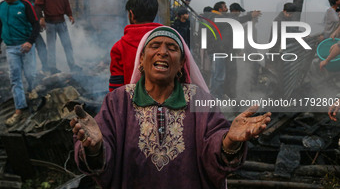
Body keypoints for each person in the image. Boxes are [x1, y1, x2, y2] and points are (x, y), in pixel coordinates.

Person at [71, 26, 271, 189]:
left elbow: (213, 152)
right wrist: (96, 147)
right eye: (155, 46)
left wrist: (229, 141)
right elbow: (104, 156)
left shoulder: (199, 100)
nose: (163, 52)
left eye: (172, 48)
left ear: (182, 63)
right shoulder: (118, 100)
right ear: (141, 58)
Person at [0, 0, 40, 126]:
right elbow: (0, 26)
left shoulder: (25, 5)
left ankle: (31, 88)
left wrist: (30, 42)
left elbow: (36, 25)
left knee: (30, 73)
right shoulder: (2, 6)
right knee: (15, 78)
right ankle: (19, 109)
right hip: (11, 48)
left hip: (26, 46)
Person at [109, 0, 162, 92]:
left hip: (132, 105)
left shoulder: (119, 47)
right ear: (154, 15)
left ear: (131, 15)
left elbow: (116, 89)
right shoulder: (170, 41)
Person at [35, 0, 82, 74]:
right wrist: (41, 18)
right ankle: (52, 68)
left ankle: (72, 65)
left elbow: (66, 3)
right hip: (50, 23)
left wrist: (70, 15)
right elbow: (38, 5)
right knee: (51, 47)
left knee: (67, 45)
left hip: (61, 22)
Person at [19, 0, 49, 73]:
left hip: (34, 29)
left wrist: (41, 18)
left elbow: (39, 9)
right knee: (25, 51)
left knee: (42, 47)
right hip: (24, 30)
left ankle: (45, 67)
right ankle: (26, 71)